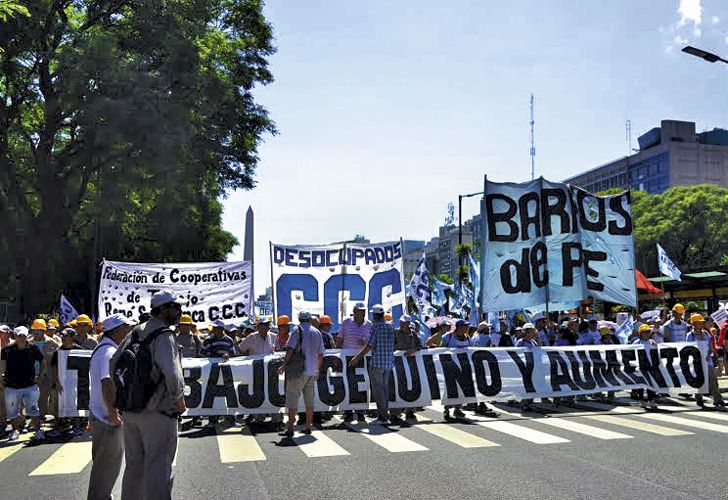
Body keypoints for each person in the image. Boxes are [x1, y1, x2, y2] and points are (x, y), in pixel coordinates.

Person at [110, 290, 186, 500]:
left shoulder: (135, 331)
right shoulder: (164, 335)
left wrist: (123, 396)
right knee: (159, 468)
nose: (179, 311)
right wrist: (179, 401)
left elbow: (113, 363)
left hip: (130, 411)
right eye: (175, 307)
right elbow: (172, 374)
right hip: (158, 411)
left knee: (134, 466)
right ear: (161, 310)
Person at [87, 314, 136, 500]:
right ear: (117, 330)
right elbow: (107, 382)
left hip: (102, 416)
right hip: (107, 419)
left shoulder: (105, 349)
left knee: (106, 468)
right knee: (105, 471)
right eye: (126, 328)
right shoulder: (108, 352)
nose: (129, 331)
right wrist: (113, 413)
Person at [278, 311, 324, 436]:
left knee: (292, 399)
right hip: (312, 371)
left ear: (299, 319)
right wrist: (318, 369)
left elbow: (290, 349)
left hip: (298, 371)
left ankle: (290, 428)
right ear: (309, 319)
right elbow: (321, 354)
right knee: (309, 401)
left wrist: (284, 364)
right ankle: (308, 426)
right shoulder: (317, 332)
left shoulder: (296, 331)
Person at [349, 305, 395, 425]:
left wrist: (356, 358)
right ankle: (385, 414)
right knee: (384, 390)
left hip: (377, 363)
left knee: (378, 391)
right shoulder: (390, 325)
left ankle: (383, 417)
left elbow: (369, 346)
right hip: (388, 362)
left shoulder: (376, 327)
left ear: (375, 315)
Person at [0, 326, 45, 441]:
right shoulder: (7, 349)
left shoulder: (33, 348)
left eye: (24, 336)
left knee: (34, 410)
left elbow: (42, 361)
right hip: (11, 386)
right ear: (15, 336)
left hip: (30, 385)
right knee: (12, 412)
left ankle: (38, 430)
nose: (22, 338)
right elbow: (2, 366)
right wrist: (1, 379)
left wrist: (40, 376)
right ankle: (15, 431)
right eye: (19, 336)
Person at [337, 302, 372, 422]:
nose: (363, 313)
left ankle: (360, 411)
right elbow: (339, 340)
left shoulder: (369, 325)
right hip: (347, 359)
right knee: (347, 384)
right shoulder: (346, 322)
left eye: (364, 311)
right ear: (355, 312)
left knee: (362, 386)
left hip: (362, 359)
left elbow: (372, 344)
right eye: (360, 311)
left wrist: (365, 344)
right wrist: (337, 354)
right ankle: (348, 412)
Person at [48, 328, 83, 437]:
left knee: (76, 405)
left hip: (74, 383)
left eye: (65, 336)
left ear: (72, 337)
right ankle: (59, 427)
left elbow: (84, 367)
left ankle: (76, 426)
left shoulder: (80, 350)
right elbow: (54, 368)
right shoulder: (58, 351)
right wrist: (57, 382)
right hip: (60, 384)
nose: (63, 338)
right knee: (58, 407)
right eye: (62, 336)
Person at [687, 314, 725, 409]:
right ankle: (698, 398)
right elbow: (688, 348)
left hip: (707, 361)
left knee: (713, 379)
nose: (702, 324)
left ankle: (717, 399)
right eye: (700, 322)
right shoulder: (690, 335)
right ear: (694, 324)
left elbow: (710, 347)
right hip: (696, 362)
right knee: (698, 380)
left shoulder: (707, 333)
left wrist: (708, 355)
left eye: (702, 322)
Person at [440, 319, 473, 421]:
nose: (467, 328)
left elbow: (472, 351)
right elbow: (440, 349)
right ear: (459, 327)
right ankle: (446, 409)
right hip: (450, 368)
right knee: (450, 389)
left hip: (464, 368)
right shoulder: (448, 337)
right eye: (465, 326)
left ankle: (458, 409)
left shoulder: (468, 338)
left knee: (461, 389)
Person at [28, 318, 60, 422]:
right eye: (35, 330)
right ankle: (34, 417)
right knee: (31, 398)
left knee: (44, 398)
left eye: (39, 330)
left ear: (44, 331)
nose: (37, 333)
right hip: (32, 375)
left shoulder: (53, 343)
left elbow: (59, 359)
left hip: (48, 375)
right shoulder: (28, 343)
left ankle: (42, 418)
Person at [516, 323, 539, 411]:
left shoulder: (534, 342)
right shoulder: (520, 342)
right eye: (530, 332)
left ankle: (528, 402)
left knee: (533, 385)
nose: (532, 334)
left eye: (533, 332)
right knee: (527, 386)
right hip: (524, 368)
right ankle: (524, 403)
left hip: (533, 367)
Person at [635, 324, 658, 410]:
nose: (647, 333)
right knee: (641, 384)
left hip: (651, 365)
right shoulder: (637, 343)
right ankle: (641, 400)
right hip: (640, 366)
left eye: (648, 332)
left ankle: (651, 400)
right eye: (645, 332)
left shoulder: (652, 342)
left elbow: (656, 353)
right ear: (641, 333)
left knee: (650, 383)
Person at [0, 324, 11, 435]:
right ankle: (2, 425)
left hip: (14, 377)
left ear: (8, 333)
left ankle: (18, 424)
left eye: (2, 332)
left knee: (15, 401)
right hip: (0, 378)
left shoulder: (14, 343)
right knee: (1, 403)